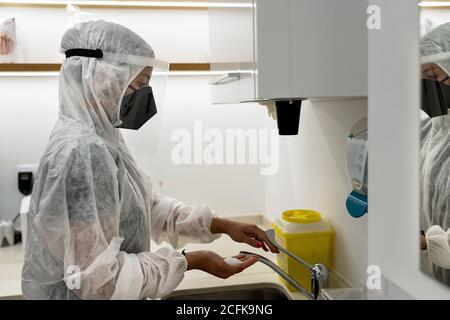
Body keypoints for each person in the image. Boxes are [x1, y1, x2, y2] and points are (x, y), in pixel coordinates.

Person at [21, 20, 278, 300]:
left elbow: (145, 208)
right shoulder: (82, 151)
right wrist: (192, 260)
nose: (145, 97)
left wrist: (224, 225)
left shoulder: (104, 139)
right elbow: (100, 282)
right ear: (101, 77)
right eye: (138, 84)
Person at [419, 22, 450, 285]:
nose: (427, 87)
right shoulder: (426, 132)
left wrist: (427, 242)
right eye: (421, 77)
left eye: (435, 75)